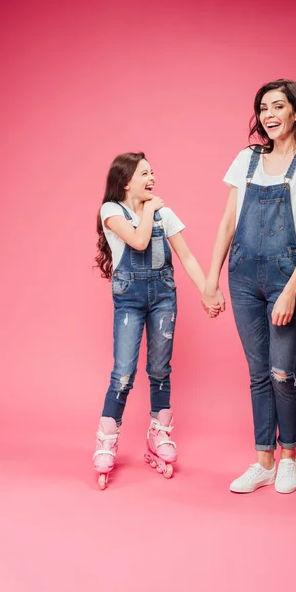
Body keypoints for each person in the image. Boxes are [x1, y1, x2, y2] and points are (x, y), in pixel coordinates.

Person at [202, 79, 296, 494]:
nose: (269, 115)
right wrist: (211, 279)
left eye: (278, 106)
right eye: (263, 108)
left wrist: (292, 290)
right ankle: (263, 461)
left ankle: (288, 456)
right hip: (241, 277)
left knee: (282, 374)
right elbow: (226, 224)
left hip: (284, 277)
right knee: (258, 374)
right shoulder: (247, 159)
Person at [93, 152, 214, 489]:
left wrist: (207, 290)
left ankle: (159, 433)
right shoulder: (111, 211)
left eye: (153, 173)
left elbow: (186, 256)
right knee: (123, 373)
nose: (152, 179)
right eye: (145, 173)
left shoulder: (166, 214)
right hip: (129, 301)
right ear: (127, 179)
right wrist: (148, 208)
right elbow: (139, 240)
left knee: (160, 369)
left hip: (163, 298)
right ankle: (106, 440)